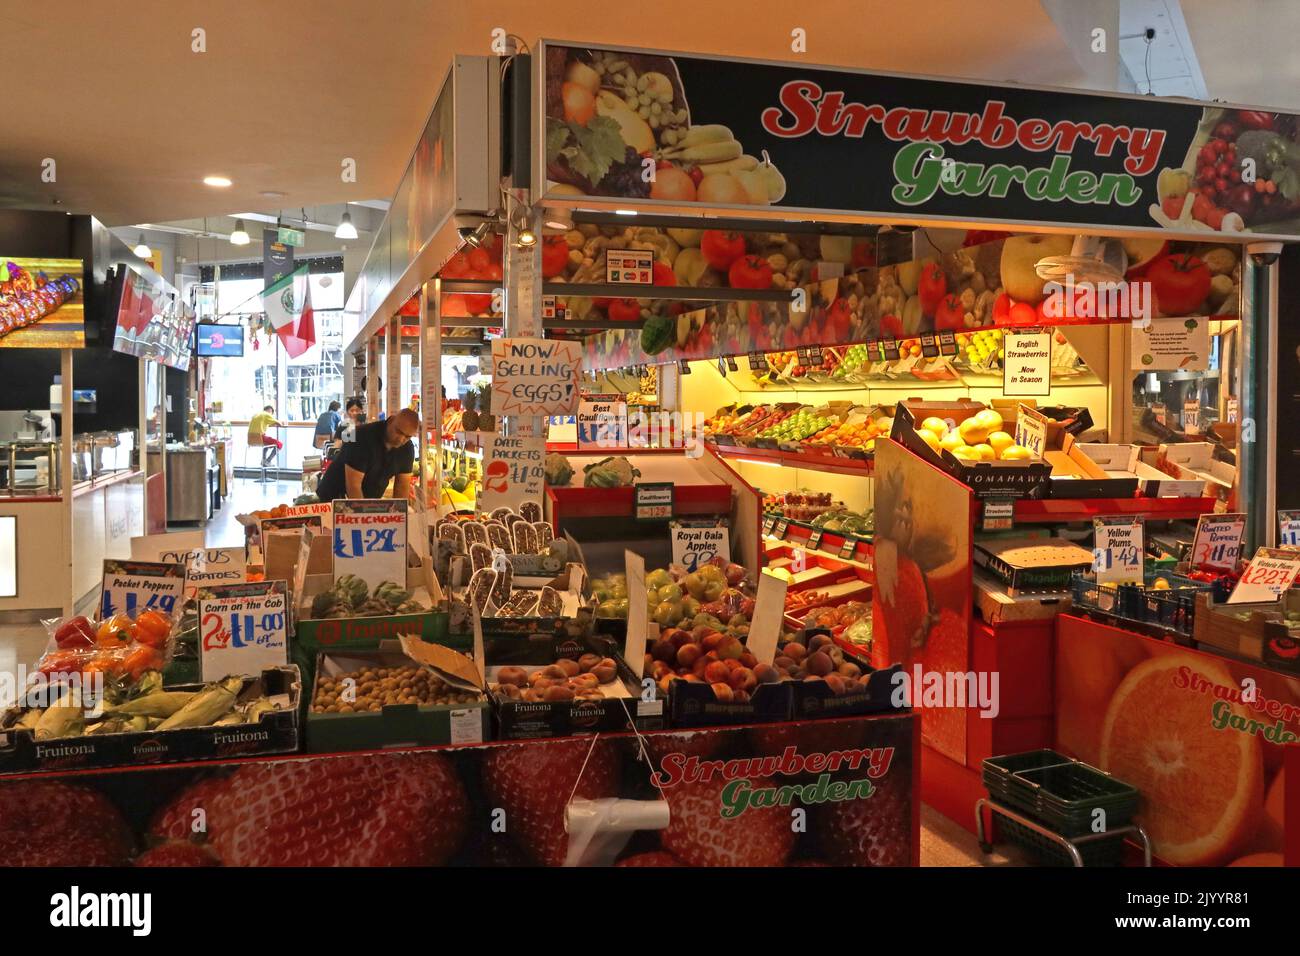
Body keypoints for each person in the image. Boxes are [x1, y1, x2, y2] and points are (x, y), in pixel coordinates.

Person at [315, 407, 418, 502]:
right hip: (333, 497)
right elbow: (353, 487)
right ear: (390, 421)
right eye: (398, 432)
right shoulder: (361, 436)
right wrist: (363, 517)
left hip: (367, 500)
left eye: (407, 437)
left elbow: (402, 487)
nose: (401, 439)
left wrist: (398, 515)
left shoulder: (407, 448)